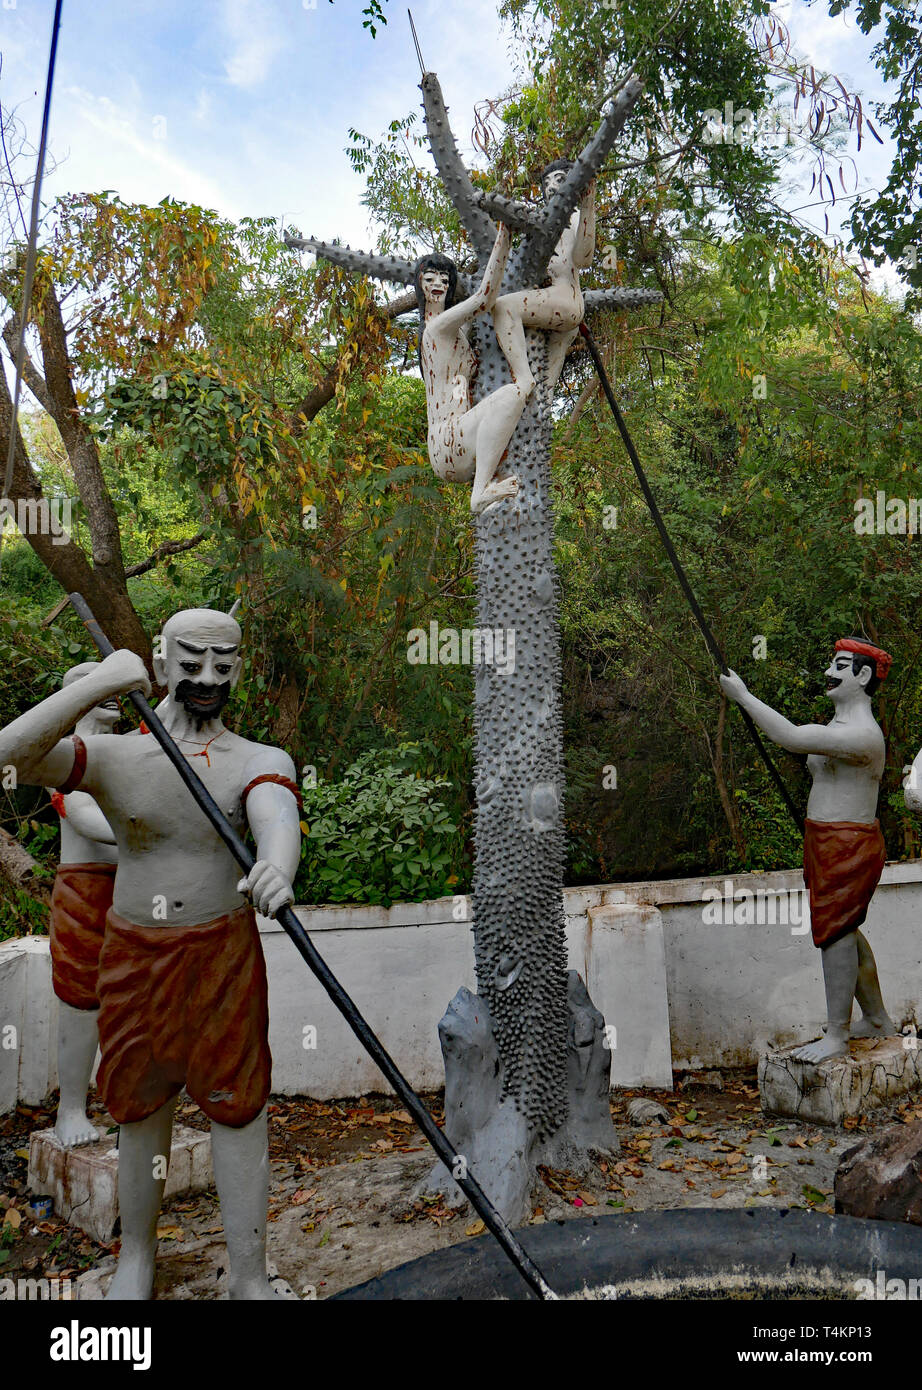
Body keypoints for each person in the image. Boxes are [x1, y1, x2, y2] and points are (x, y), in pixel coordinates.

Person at [0, 607, 301, 1299]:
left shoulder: (257, 760)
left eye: (223, 664)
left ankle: (249, 1277)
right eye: (190, 661)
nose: (206, 678)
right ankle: (136, 1259)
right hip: (135, 955)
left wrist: (278, 865)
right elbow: (8, 759)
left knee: (239, 1108)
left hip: (222, 957)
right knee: (138, 1111)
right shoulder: (115, 759)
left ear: (240, 669)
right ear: (161, 664)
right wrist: (94, 685)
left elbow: (273, 816)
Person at [720, 637, 895, 1063]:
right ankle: (875, 1019)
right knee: (845, 931)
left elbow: (794, 739)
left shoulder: (862, 735)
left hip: (847, 845)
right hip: (826, 840)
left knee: (834, 933)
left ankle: (836, 1036)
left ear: (863, 675)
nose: (828, 674)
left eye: (839, 665)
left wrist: (743, 697)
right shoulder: (838, 731)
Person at [46, 663, 121, 1147]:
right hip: (84, 892)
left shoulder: (130, 750)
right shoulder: (60, 759)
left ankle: (129, 1106)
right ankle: (70, 1110)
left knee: (139, 1002)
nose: (112, 694)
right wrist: (168, 834)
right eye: (100, 686)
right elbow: (90, 820)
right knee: (81, 1002)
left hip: (137, 886)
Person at [416, 221, 532, 512]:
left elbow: (472, 318)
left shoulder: (454, 333)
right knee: (514, 393)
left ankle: (485, 483)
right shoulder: (435, 329)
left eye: (444, 279)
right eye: (429, 278)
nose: (438, 285)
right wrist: (504, 237)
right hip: (447, 439)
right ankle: (480, 493)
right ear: (419, 283)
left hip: (461, 439)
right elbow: (485, 298)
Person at [492, 160, 597, 394]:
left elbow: (583, 259)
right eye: (547, 183)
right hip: (551, 302)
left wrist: (589, 203)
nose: (551, 187)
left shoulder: (575, 216)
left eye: (560, 180)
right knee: (544, 395)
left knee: (504, 308)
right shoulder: (543, 219)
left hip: (566, 298)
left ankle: (523, 379)